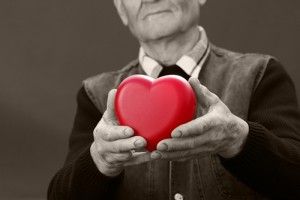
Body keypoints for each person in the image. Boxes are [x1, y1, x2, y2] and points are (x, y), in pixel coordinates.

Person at [48, 0, 300, 199]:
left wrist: (238, 139)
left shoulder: (261, 74)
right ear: (121, 9)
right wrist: (100, 161)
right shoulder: (96, 94)